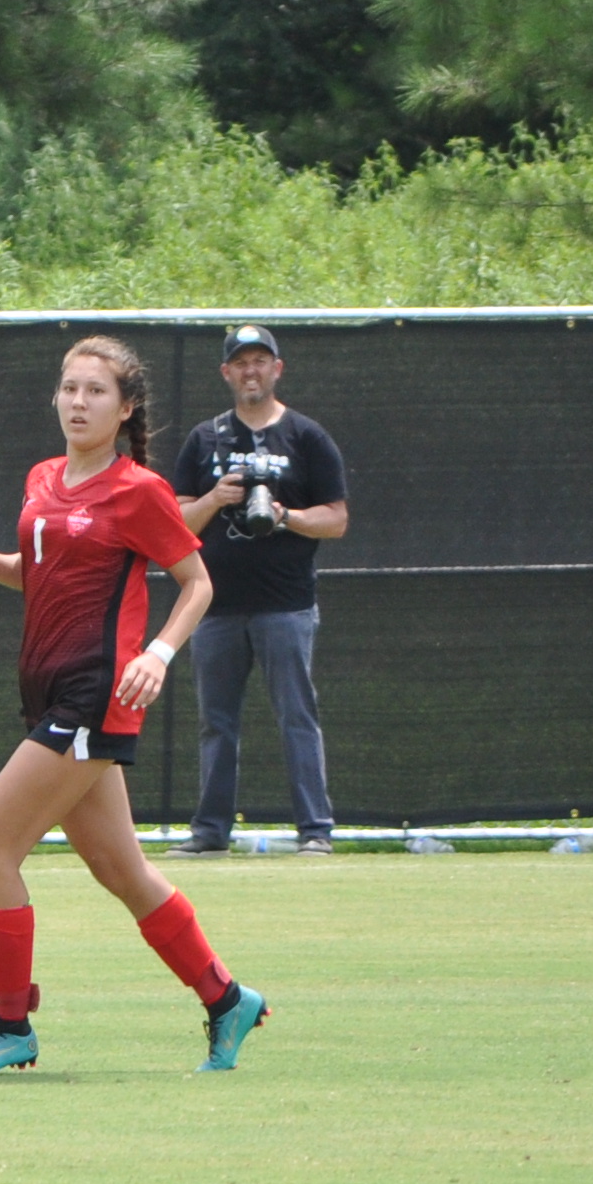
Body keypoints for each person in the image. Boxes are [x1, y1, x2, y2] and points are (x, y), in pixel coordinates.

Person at [0, 336, 263, 1076]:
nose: (78, 402)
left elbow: (197, 582)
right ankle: (226, 999)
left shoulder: (137, 489)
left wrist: (158, 653)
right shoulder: (43, 478)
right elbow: (45, 575)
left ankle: (11, 1025)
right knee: (123, 870)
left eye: (95, 392)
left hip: (94, 697)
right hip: (47, 692)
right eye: (69, 388)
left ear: (125, 410)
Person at [165, 322, 351, 854]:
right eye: (241, 363)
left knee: (297, 716)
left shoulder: (306, 436)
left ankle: (315, 832)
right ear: (227, 372)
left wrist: (284, 514)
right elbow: (174, 518)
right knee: (215, 723)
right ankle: (209, 832)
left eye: (260, 361)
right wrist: (216, 500)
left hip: (286, 605)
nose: (251, 371)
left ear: (277, 368)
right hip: (215, 604)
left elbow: (337, 519)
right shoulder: (205, 438)